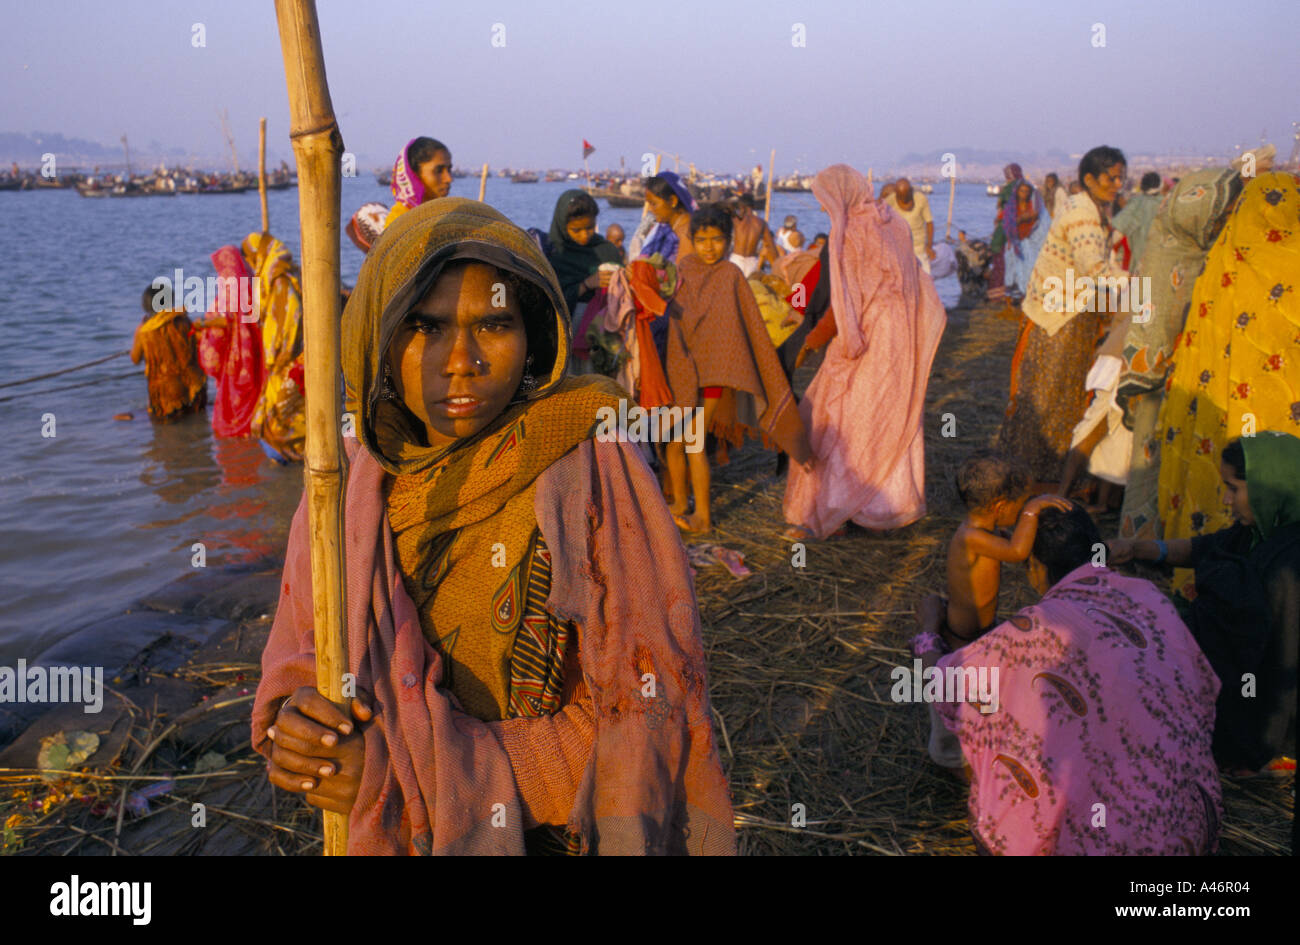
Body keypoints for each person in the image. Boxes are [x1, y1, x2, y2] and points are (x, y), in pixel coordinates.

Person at [251, 198, 735, 855]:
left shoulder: (588, 467)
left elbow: (645, 713)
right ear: (377, 339)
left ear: (534, 334)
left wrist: (410, 776)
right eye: (425, 325)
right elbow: (302, 668)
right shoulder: (341, 498)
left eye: (495, 323)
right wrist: (302, 737)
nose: (461, 360)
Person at [934, 504, 1223, 855]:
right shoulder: (1150, 598)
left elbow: (943, 684)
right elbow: (1205, 688)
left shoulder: (1031, 632)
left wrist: (925, 634)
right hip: (1188, 834)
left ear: (1035, 569)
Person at [1109, 434, 1300, 775]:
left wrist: (1256, 743)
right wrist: (1139, 549)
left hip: (1270, 714)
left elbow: (1280, 664)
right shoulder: (1258, 531)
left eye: (1234, 488)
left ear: (1269, 488)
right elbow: (1203, 549)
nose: (1226, 500)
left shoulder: (1291, 561)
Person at [1154, 168, 1300, 593]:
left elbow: (1201, 343)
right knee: (1279, 498)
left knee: (1229, 495)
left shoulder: (1225, 257)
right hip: (1284, 418)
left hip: (1220, 417)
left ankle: (1215, 586)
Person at [783, 165, 946, 540]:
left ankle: (838, 510)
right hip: (900, 335)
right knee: (889, 412)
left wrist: (811, 343)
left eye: (826, 203)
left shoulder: (850, 233)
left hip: (870, 334)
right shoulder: (894, 224)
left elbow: (845, 304)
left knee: (843, 419)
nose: (825, 211)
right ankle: (885, 504)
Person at [1115, 166, 1245, 539]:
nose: (1224, 219)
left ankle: (1158, 538)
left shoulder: (1192, 247)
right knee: (1151, 456)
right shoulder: (1175, 251)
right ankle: (1143, 538)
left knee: (1165, 457)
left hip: (1179, 373)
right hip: (1162, 373)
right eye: (1221, 212)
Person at [663, 205, 812, 533]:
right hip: (685, 367)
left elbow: (748, 324)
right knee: (673, 441)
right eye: (702, 240)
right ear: (692, 240)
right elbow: (676, 318)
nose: (709, 247)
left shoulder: (731, 275)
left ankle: (702, 516)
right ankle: (678, 501)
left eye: (717, 240)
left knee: (694, 440)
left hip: (718, 371)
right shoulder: (684, 269)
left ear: (729, 241)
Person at [997, 146, 1129, 485]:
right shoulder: (1083, 215)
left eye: (1120, 177)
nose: (1117, 183)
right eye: (1110, 177)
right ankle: (1038, 481)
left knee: (1049, 398)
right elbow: (1095, 268)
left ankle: (1035, 478)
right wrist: (1144, 289)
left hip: (1061, 313)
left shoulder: (1084, 208)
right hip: (1060, 320)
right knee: (1050, 401)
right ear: (1088, 178)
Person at [242, 233, 306, 463]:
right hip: (290, 361)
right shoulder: (280, 279)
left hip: (290, 361)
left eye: (251, 258)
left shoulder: (281, 282)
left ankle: (300, 460)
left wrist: (277, 357)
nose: (251, 264)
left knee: (281, 420)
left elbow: (288, 323)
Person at [196, 245, 264, 438]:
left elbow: (223, 322)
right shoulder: (251, 286)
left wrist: (203, 324)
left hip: (234, 358)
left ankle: (238, 432)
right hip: (253, 353)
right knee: (253, 390)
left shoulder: (229, 291)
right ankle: (253, 425)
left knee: (234, 396)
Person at [132, 284, 207, 422]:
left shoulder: (143, 330)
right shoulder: (184, 321)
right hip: (195, 389)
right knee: (197, 424)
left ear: (146, 305)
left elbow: (135, 359)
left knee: (164, 434)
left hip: (167, 398)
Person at [384, 137, 453, 228]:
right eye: (439, 170)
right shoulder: (399, 225)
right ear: (414, 175)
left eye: (449, 169)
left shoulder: (445, 216)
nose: (449, 179)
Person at [985, 163, 1025, 310]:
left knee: (1001, 261)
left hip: (1008, 233)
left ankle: (1000, 295)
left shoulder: (1009, 189)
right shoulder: (1028, 189)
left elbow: (1003, 211)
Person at [999, 178, 1047, 300]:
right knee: (1013, 273)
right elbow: (1007, 225)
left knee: (1030, 271)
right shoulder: (1011, 208)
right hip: (1014, 244)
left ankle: (1026, 298)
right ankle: (1014, 298)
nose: (1024, 194)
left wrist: (1033, 219)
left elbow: (1042, 225)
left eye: (1026, 191)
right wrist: (1021, 219)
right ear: (1017, 192)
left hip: (1031, 244)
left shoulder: (1034, 206)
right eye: (1021, 191)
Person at [636, 171, 696, 262]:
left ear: (672, 201)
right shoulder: (667, 227)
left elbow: (680, 274)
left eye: (653, 204)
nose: (650, 210)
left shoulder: (686, 233)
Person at [1110, 171, 1164, 269]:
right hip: (1162, 266)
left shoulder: (1135, 203)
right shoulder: (1167, 204)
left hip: (1138, 265)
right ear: (1160, 186)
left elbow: (1117, 232)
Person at [884, 177, 936, 274]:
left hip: (919, 249)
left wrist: (929, 246)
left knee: (925, 281)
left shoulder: (921, 199)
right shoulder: (889, 201)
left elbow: (929, 223)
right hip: (899, 250)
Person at [729, 194, 779, 275]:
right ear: (753, 207)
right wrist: (778, 265)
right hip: (751, 262)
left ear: (742, 207)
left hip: (736, 260)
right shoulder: (761, 223)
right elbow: (771, 246)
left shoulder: (736, 221)